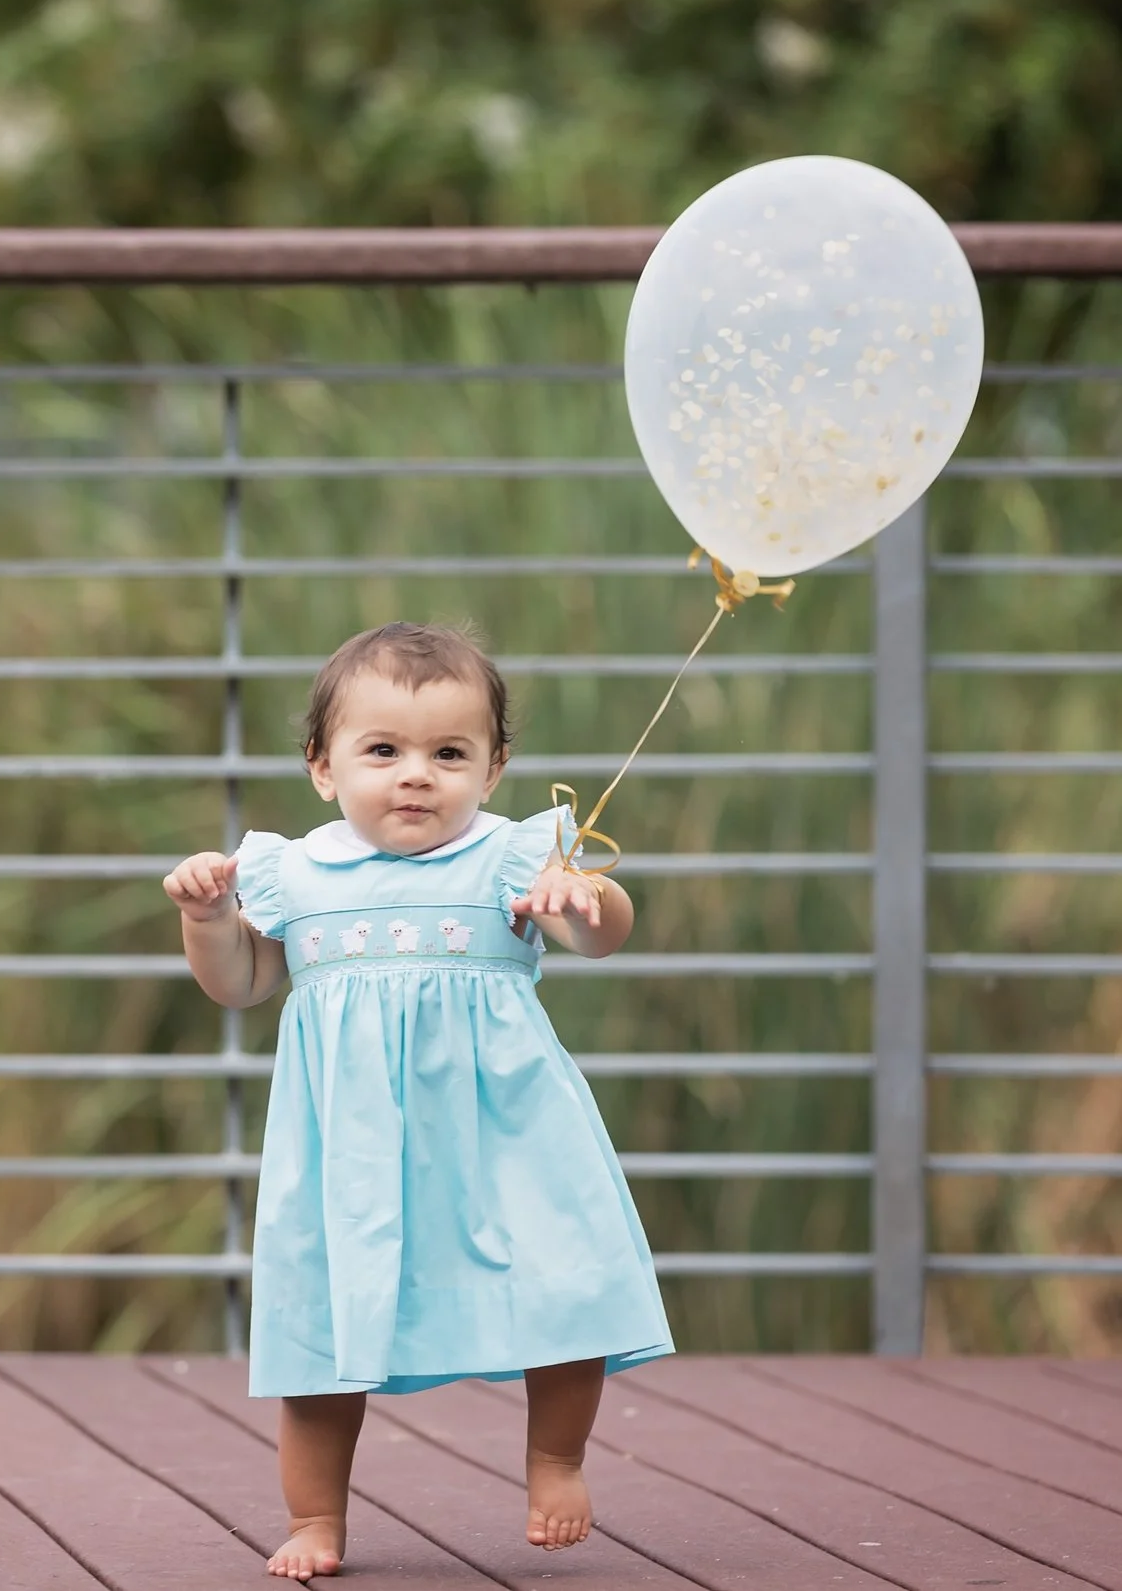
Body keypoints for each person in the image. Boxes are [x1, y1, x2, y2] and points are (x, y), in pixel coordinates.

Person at [163, 621, 674, 1581]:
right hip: (349, 1148)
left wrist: (585, 899)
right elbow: (240, 982)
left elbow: (604, 937)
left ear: (494, 766)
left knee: (559, 1279)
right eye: (383, 751)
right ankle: (317, 1518)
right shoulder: (295, 872)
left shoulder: (515, 860)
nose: (416, 775)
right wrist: (209, 919)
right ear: (322, 768)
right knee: (322, 1324)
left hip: (507, 1132)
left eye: (449, 753)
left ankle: (555, 1459)